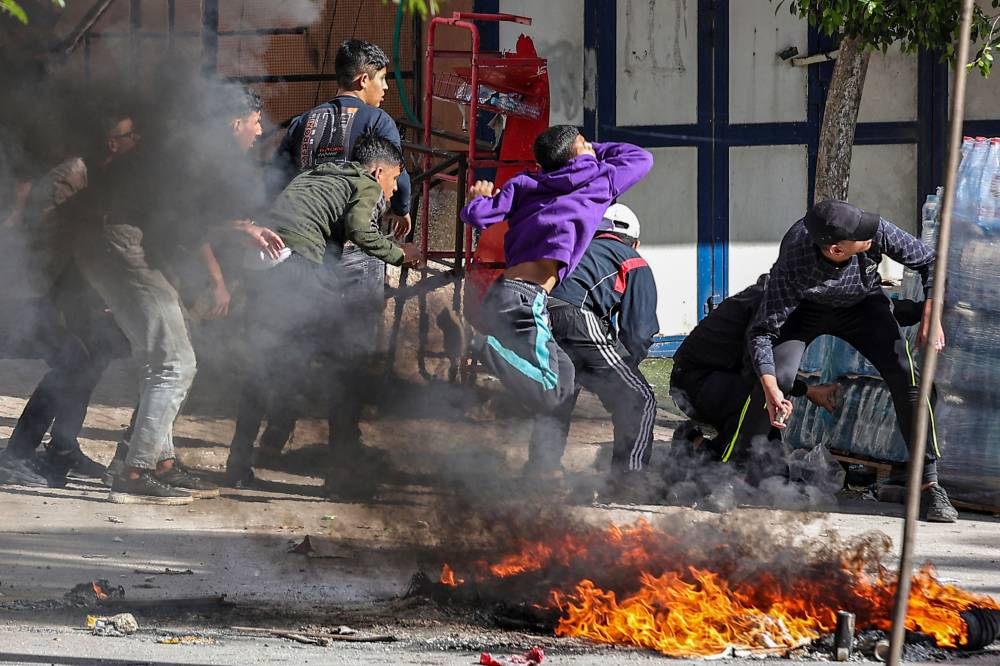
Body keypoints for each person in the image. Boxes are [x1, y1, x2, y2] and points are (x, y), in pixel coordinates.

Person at [78, 86, 281, 505]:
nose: (260, 131)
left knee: (162, 357)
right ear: (234, 122)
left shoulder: (191, 148)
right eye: (256, 121)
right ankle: (135, 472)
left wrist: (235, 231)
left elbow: (181, 221)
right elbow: (181, 221)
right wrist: (239, 231)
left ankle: (160, 461)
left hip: (114, 244)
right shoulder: (202, 155)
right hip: (121, 245)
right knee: (175, 363)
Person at [738, 199, 957, 522]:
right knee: (778, 375)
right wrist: (771, 387)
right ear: (836, 250)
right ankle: (738, 468)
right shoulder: (794, 261)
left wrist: (930, 310)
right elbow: (762, 332)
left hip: (864, 305)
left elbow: (930, 262)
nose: (872, 233)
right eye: (862, 235)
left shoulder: (873, 229)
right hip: (806, 309)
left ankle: (929, 484)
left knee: (906, 375)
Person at [226, 134, 420, 495]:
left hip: (262, 267)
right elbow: (361, 229)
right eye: (394, 179)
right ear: (378, 171)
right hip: (298, 267)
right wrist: (399, 253)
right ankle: (342, 478)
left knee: (265, 369)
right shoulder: (366, 184)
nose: (393, 191)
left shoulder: (314, 175)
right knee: (343, 371)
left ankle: (237, 465)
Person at [252, 39, 413, 458]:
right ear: (363, 79)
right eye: (382, 79)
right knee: (352, 348)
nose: (386, 89)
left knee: (297, 341)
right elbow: (398, 174)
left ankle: (278, 425)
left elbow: (276, 180)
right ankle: (344, 446)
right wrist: (403, 209)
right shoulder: (380, 122)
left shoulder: (304, 121)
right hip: (356, 257)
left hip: (305, 256)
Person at [460, 125, 653, 458]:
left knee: (565, 375)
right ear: (579, 149)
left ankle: (544, 467)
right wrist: (590, 149)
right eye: (584, 142)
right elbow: (640, 157)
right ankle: (483, 346)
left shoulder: (525, 183)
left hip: (504, 294)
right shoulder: (599, 182)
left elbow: (477, 215)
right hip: (526, 300)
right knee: (555, 390)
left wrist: (476, 200)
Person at [0, 110, 138, 487]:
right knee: (72, 360)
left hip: (67, 289)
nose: (136, 144)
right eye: (131, 137)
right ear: (113, 142)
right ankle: (17, 455)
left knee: (97, 351)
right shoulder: (72, 175)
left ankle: (61, 447)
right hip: (33, 289)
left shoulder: (100, 176)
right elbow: (48, 240)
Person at [526, 204, 659, 494]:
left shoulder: (575, 248)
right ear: (634, 242)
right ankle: (629, 480)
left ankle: (541, 471)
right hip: (577, 316)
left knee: (560, 393)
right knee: (639, 397)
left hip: (537, 312)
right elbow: (639, 331)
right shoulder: (633, 260)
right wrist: (624, 372)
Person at [669, 274, 846, 464]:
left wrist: (808, 390)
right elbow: (756, 371)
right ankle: (712, 458)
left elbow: (767, 370)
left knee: (770, 452)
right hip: (693, 383)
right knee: (755, 410)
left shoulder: (781, 296)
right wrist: (801, 391)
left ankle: (721, 457)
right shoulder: (770, 306)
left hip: (721, 378)